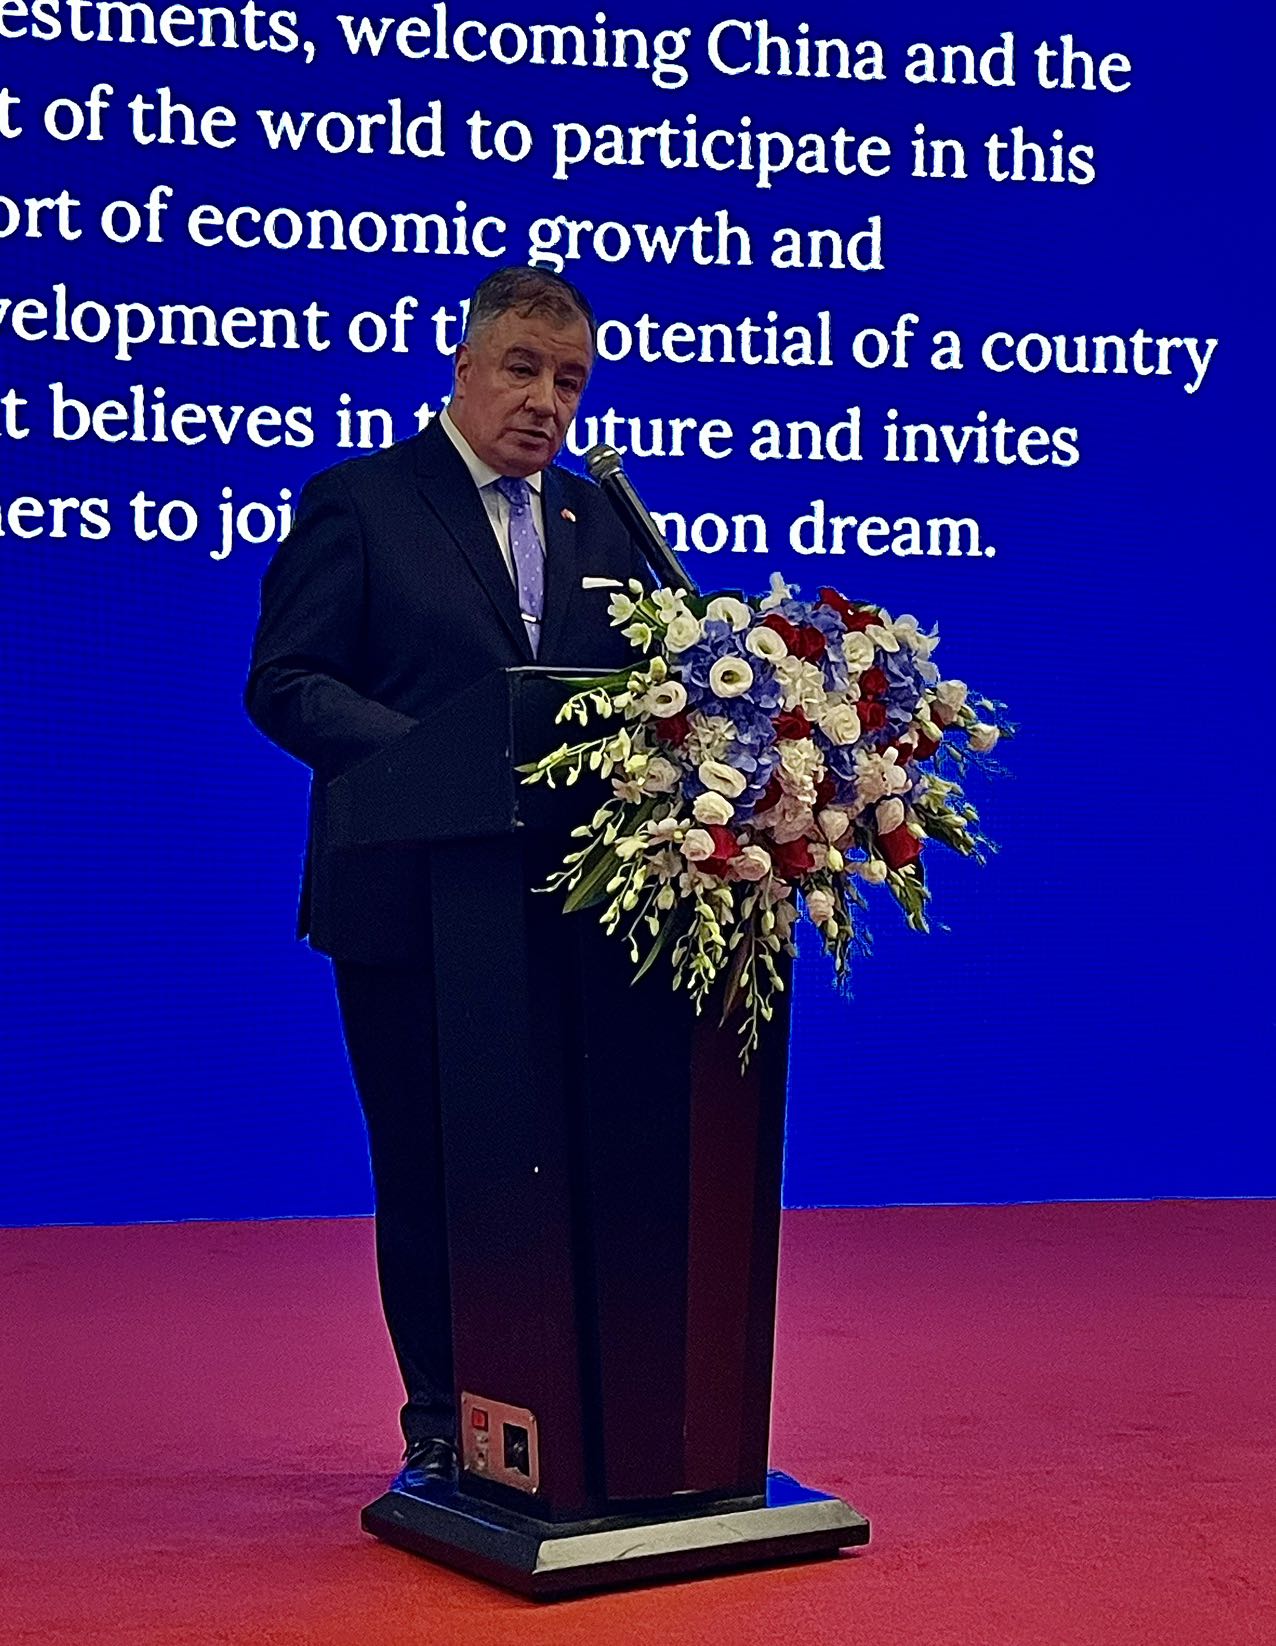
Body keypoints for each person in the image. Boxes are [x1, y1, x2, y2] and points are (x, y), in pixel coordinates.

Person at [245, 266, 653, 1491]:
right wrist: (444, 763)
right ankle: (440, 1413)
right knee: (431, 1166)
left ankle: (563, 1398)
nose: (546, 401)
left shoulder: (599, 519)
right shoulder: (363, 500)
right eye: (523, 369)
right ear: (465, 366)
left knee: (562, 1166)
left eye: (569, 380)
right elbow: (288, 681)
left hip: (562, 914)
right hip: (408, 908)